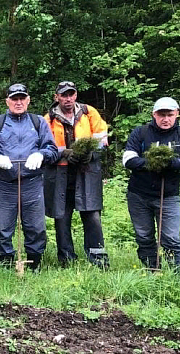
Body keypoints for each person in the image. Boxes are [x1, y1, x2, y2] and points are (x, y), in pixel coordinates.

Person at [0, 83, 58, 270]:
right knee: (3, 228)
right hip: (4, 184)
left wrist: (41, 155)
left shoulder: (38, 122)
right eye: (14, 98)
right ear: (7, 101)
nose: (18, 102)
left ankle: (34, 264)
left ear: (28, 100)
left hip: (32, 183)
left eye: (22, 98)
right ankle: (5, 263)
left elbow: (52, 150)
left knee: (36, 228)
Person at [123, 97, 180, 271]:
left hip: (169, 196)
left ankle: (176, 274)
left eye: (170, 114)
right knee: (144, 236)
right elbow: (128, 159)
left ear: (177, 114)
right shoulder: (141, 132)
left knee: (171, 238)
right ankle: (151, 270)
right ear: (154, 115)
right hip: (139, 195)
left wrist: (170, 163)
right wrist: (151, 163)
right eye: (161, 115)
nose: (165, 119)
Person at [43, 81, 110, 268]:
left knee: (92, 217)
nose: (68, 98)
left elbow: (102, 137)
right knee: (62, 218)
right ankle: (66, 261)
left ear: (76, 95)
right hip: (60, 174)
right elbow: (43, 147)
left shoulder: (89, 113)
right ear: (57, 97)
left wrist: (91, 152)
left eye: (71, 94)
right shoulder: (47, 119)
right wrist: (63, 153)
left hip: (87, 173)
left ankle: (99, 261)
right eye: (64, 95)